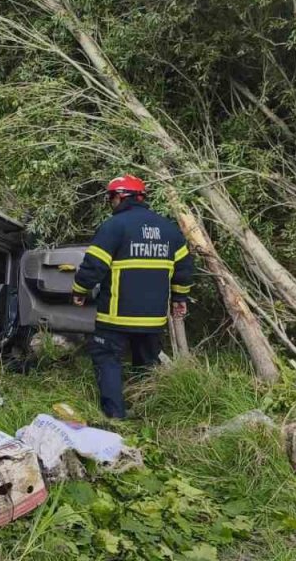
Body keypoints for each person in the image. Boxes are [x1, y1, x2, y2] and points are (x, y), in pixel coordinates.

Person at [72, 174, 193, 419]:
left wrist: (80, 290)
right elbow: (184, 269)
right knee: (146, 364)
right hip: (153, 319)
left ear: (119, 197)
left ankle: (115, 418)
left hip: (116, 317)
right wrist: (180, 299)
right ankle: (148, 414)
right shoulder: (169, 229)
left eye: (111, 198)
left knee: (107, 360)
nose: (111, 203)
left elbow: (93, 265)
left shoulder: (114, 226)